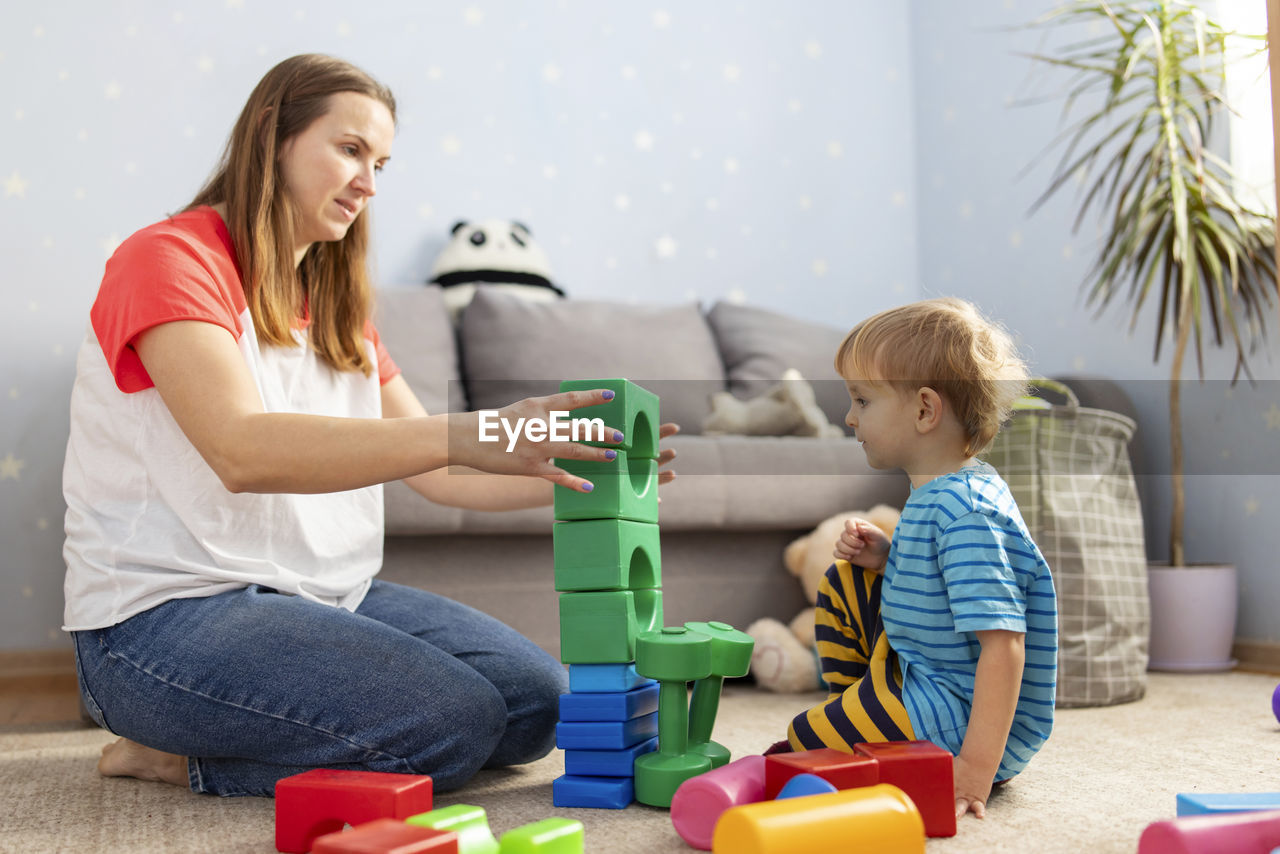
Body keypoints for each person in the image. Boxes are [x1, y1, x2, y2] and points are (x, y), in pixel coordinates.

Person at [61, 53, 676, 798]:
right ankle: (171, 755)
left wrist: (591, 479)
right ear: (271, 135)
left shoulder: (335, 303)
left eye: (380, 161)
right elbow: (240, 449)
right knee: (448, 727)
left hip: (317, 594)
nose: (369, 183)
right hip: (161, 620)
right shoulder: (167, 259)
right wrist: (473, 429)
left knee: (535, 703)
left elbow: (441, 471)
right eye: (350, 150)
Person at [783, 297, 1056, 821]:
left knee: (803, 741)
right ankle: (867, 706)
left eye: (862, 401)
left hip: (959, 714)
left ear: (925, 410)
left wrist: (975, 768)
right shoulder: (942, 492)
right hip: (924, 673)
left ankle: (882, 728)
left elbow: (1005, 646)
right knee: (843, 580)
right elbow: (941, 593)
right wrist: (888, 558)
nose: (848, 416)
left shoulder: (967, 512)